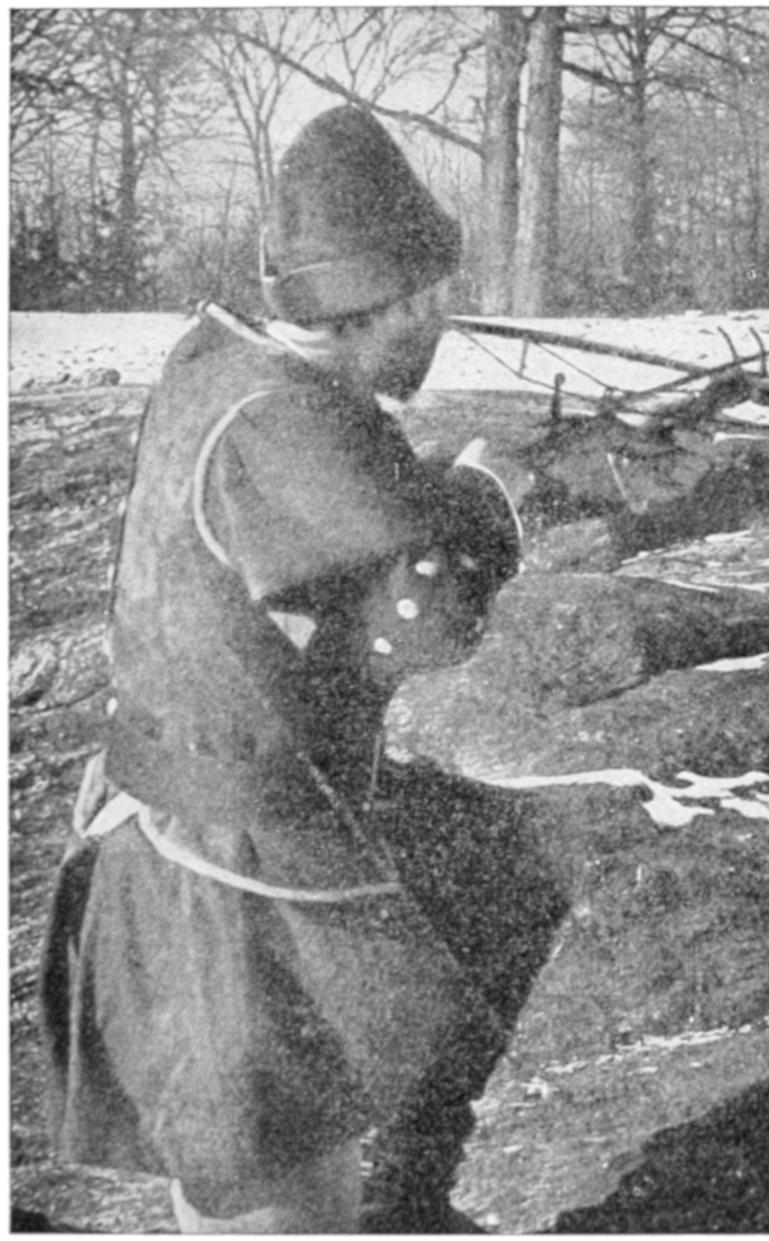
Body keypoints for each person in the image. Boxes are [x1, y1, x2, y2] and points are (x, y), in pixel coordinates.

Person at [40, 105, 565, 1232]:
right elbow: (426, 620)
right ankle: (386, 1204)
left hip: (211, 790)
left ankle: (404, 1201)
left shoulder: (224, 361)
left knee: (503, 878)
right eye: (433, 299)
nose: (444, 320)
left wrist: (434, 493)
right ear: (395, 301)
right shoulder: (283, 418)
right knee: (273, 1177)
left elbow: (348, 521)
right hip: (229, 846)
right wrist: (491, 498)